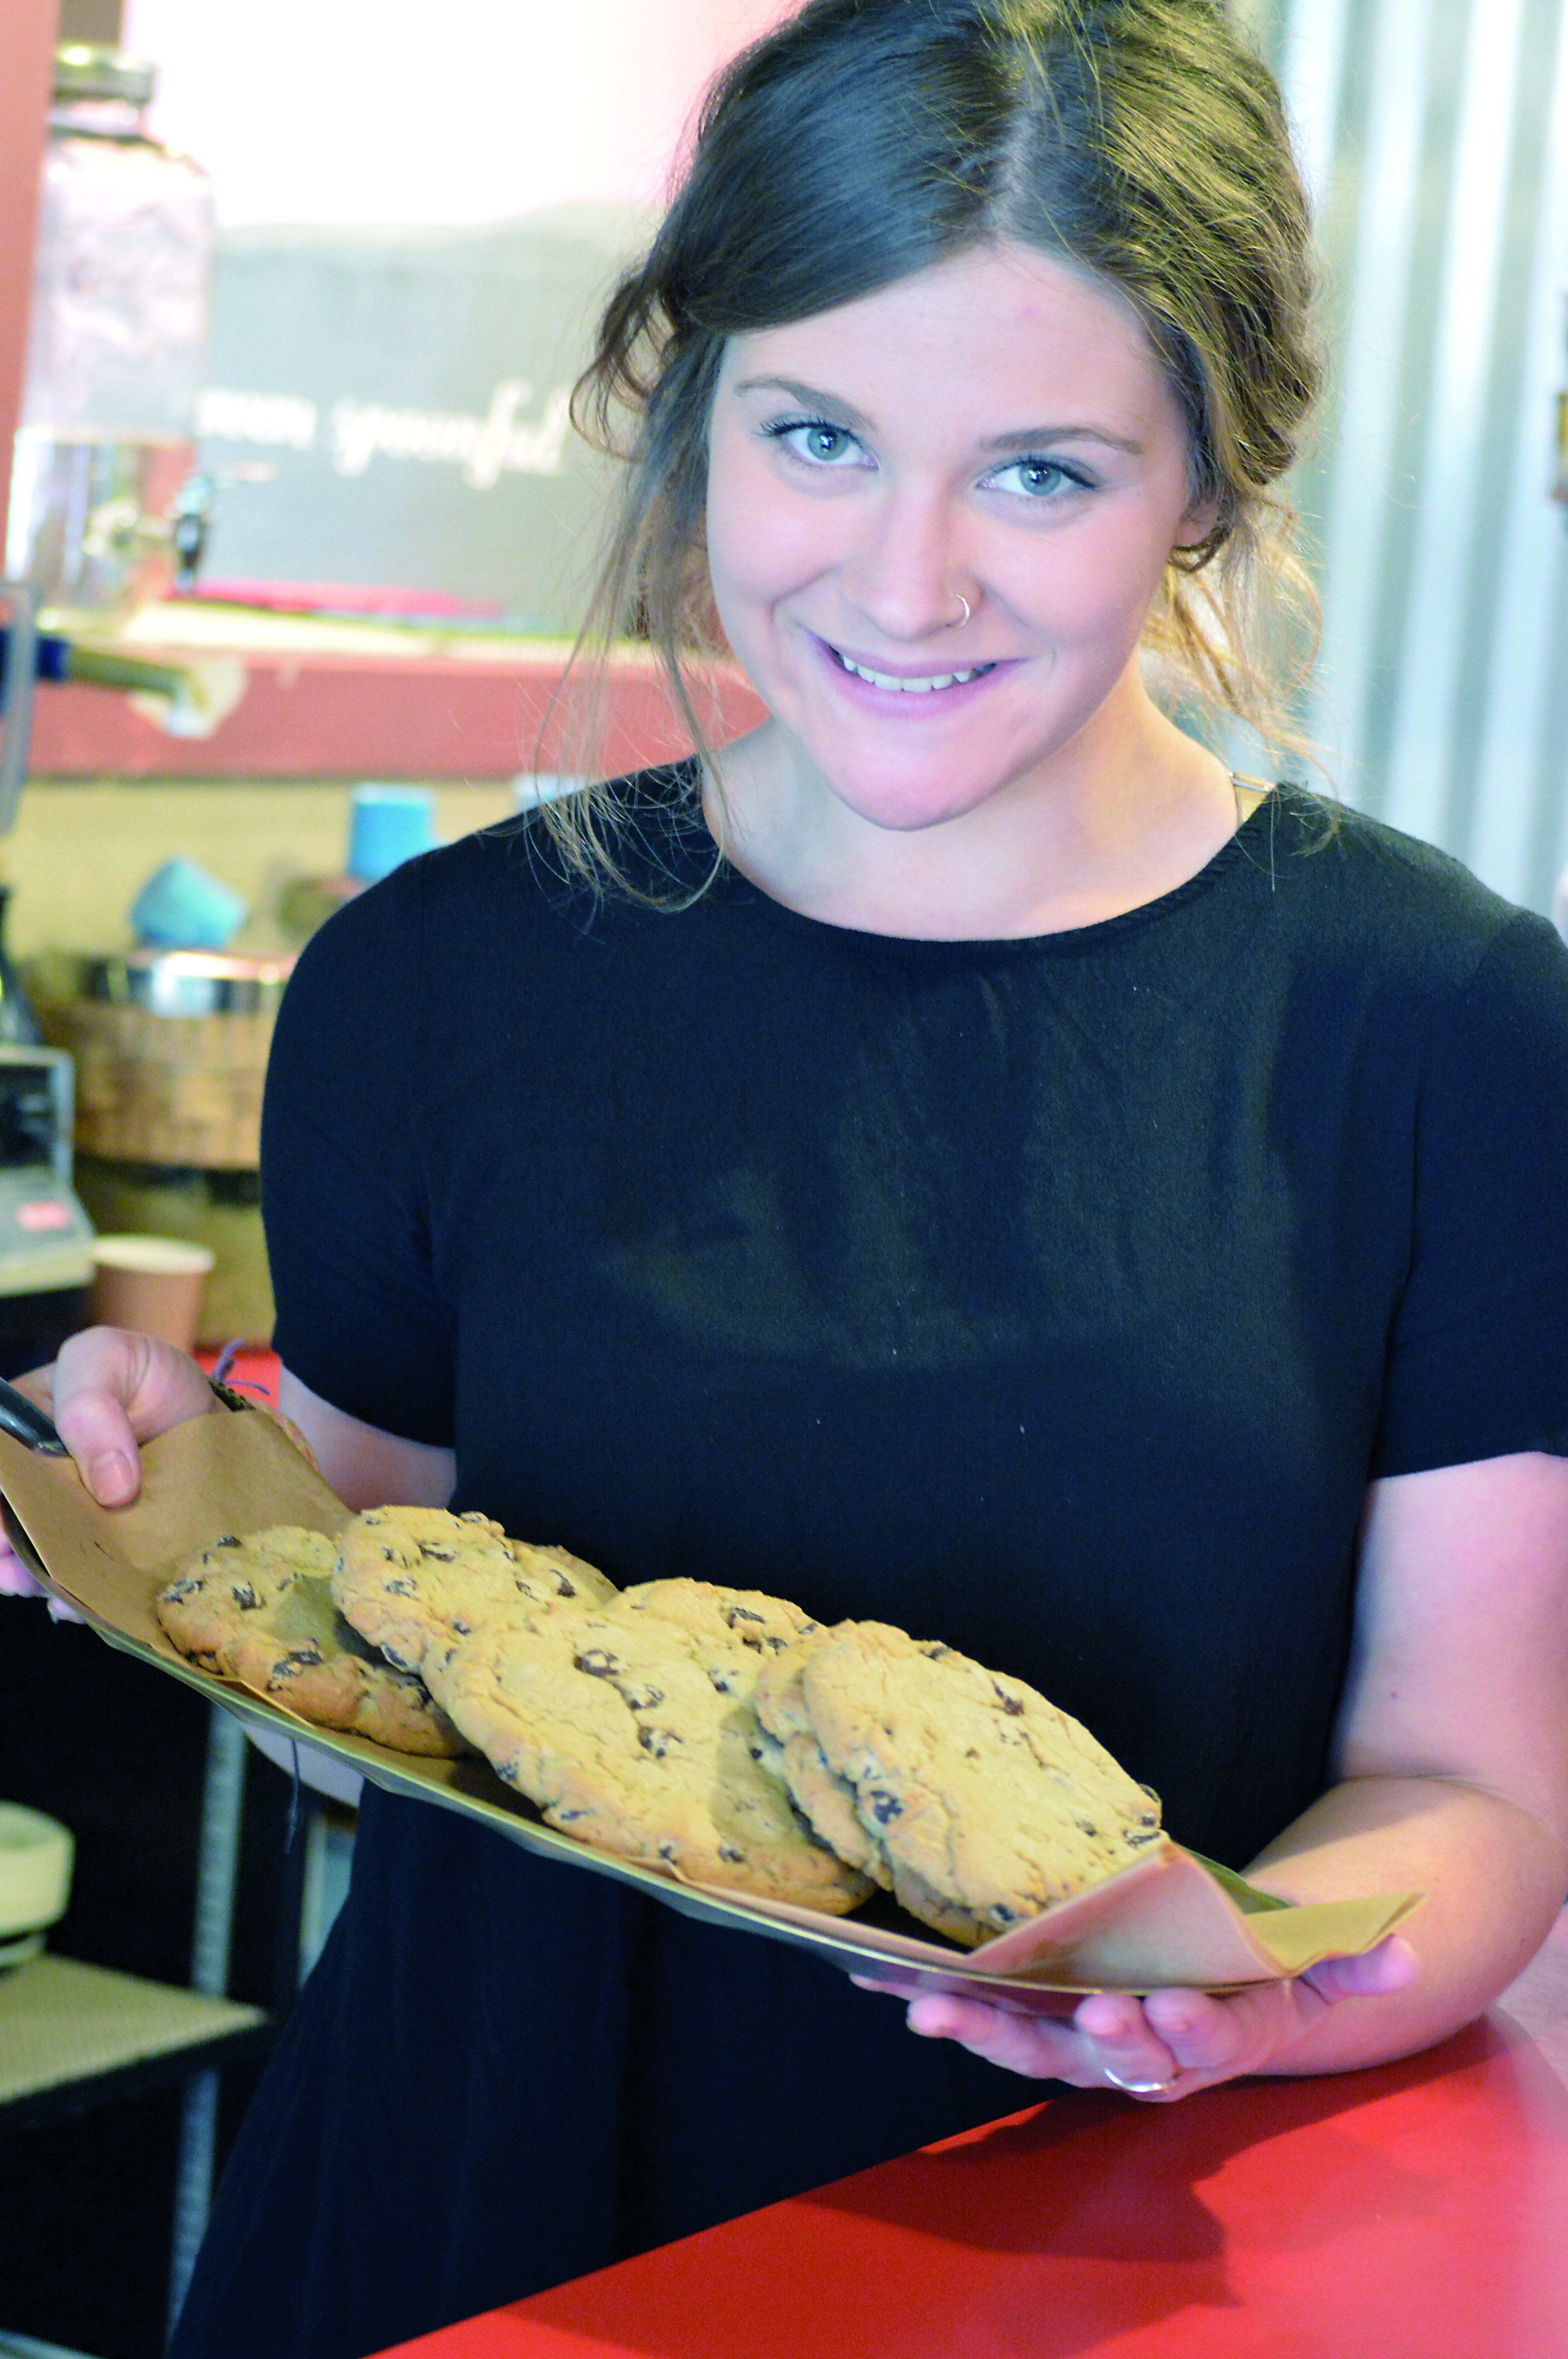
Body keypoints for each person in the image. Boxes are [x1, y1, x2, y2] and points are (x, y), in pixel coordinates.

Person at [6, 1, 1568, 2351]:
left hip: (1098, 2250)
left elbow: (1466, 1781)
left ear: (1213, 486)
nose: (907, 581)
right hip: (466, 2218)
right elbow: (375, 1588)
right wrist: (156, 1485)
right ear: (693, 409)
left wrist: (1261, 1997)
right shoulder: (437, 989)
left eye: (1043, 473)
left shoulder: (1447, 1036)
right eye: (816, 436)